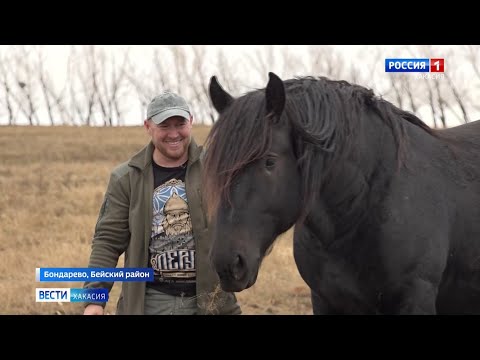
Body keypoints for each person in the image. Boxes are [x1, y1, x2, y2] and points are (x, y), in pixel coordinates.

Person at [83, 91, 242, 315]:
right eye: (165, 126)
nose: (174, 133)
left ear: (191, 122)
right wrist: (94, 300)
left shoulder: (216, 169)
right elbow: (107, 241)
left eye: (180, 124)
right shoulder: (126, 178)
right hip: (151, 302)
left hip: (211, 301)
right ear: (148, 126)